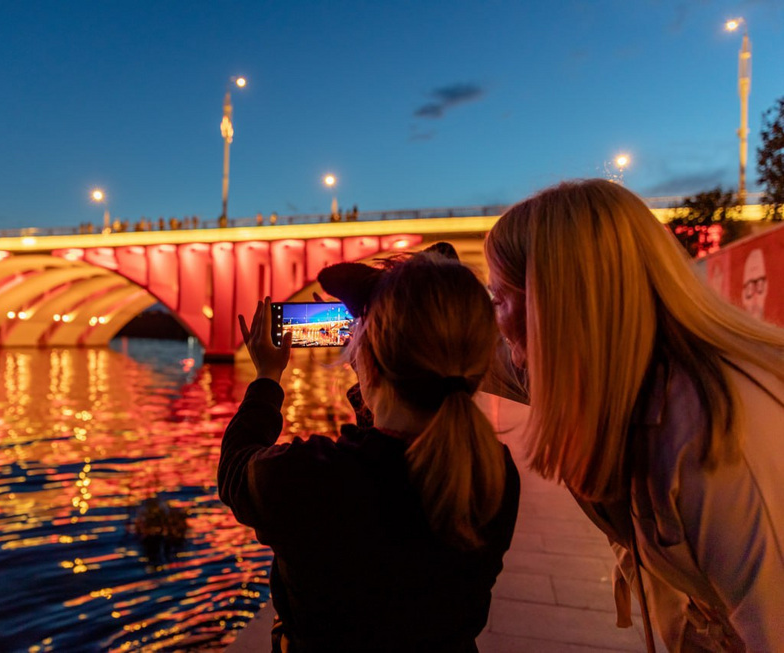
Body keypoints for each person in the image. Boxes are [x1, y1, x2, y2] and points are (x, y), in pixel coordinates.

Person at [484, 179, 784, 652]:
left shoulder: (718, 435)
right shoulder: (607, 373)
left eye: (499, 300)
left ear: (556, 307)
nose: (496, 322)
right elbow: (473, 354)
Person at [218, 252, 520, 652]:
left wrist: (267, 378)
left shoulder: (313, 477)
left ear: (370, 364)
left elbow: (235, 469)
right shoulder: (495, 473)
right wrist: (371, 358)